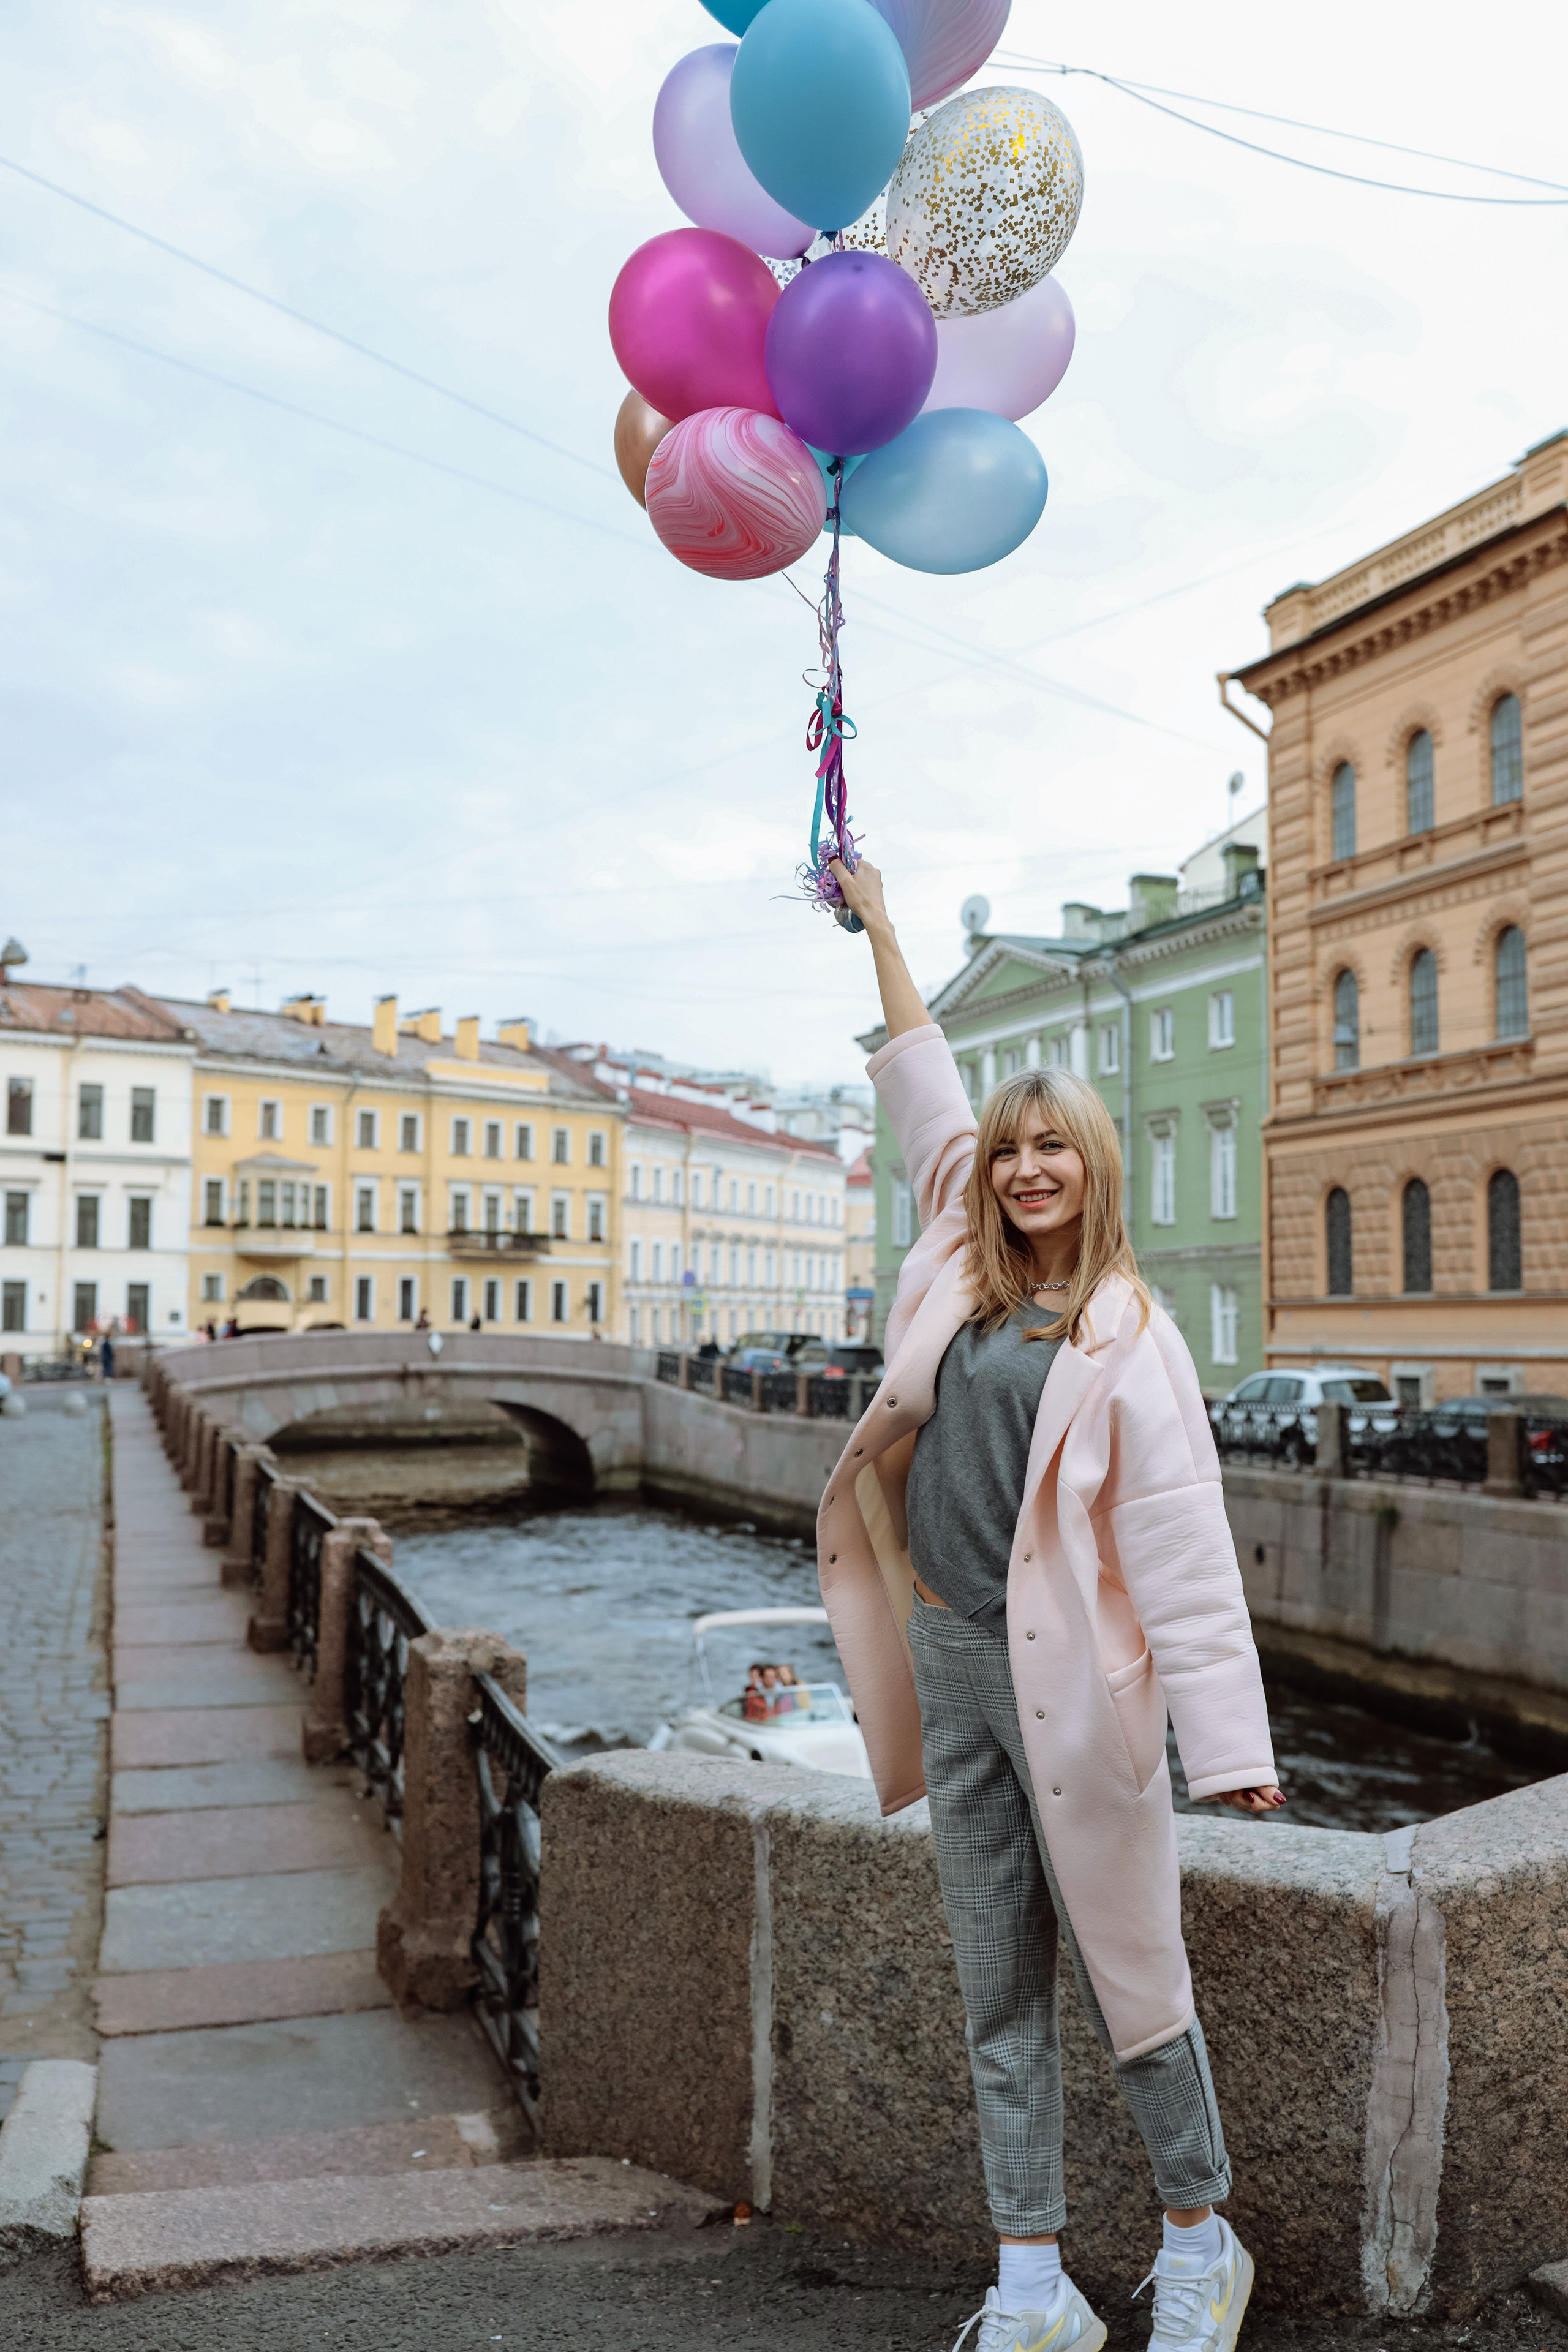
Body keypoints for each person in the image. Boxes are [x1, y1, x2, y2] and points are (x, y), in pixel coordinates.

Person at [818, 860, 1284, 2352]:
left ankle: (1200, 2246)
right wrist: (881, 925)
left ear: (1091, 1167)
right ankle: (1032, 2289)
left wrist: (1231, 1748)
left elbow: (1181, 1549)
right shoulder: (953, 1255)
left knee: (1133, 1975)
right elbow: (919, 1083)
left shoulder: (1126, 1334)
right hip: (946, 1652)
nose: (1022, 1169)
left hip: (1076, 1686)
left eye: (1050, 1152)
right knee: (992, 1984)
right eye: (1008, 1149)